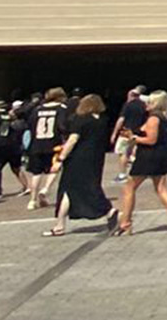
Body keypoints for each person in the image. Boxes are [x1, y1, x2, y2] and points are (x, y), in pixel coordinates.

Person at [45, 93, 116, 235]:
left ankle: (109, 210)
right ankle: (60, 224)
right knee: (87, 186)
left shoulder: (80, 119)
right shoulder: (102, 120)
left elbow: (73, 140)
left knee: (69, 188)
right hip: (95, 158)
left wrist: (60, 158)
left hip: (78, 158)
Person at [119, 90, 167, 235]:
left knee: (129, 187)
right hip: (161, 154)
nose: (146, 104)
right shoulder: (165, 117)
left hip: (149, 156)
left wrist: (133, 138)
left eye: (150, 102)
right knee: (160, 188)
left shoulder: (154, 118)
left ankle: (125, 222)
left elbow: (151, 140)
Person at [23, 87, 71, 210]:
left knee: (36, 173)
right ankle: (45, 189)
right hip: (53, 144)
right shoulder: (61, 109)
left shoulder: (37, 109)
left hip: (37, 143)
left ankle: (32, 200)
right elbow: (63, 126)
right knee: (54, 169)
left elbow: (30, 125)